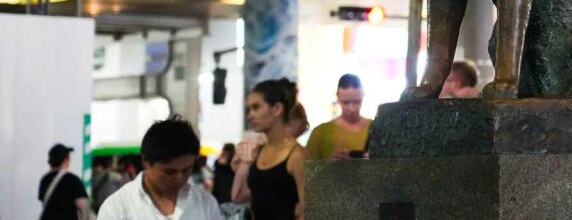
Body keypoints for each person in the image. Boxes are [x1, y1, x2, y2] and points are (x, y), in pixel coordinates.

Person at [97, 116, 221, 219]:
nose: (179, 178)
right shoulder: (117, 208)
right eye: (170, 172)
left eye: (186, 170)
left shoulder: (205, 203)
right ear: (146, 162)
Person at [232, 78, 306, 219]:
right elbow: (237, 196)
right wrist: (244, 164)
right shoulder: (258, 152)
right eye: (249, 109)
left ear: (277, 109)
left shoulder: (298, 155)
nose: (250, 115)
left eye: (256, 107)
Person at [306, 74, 373, 160]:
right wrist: (331, 163)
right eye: (346, 102)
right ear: (338, 96)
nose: (351, 108)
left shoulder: (376, 129)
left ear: (363, 95)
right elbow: (307, 170)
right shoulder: (320, 133)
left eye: (356, 102)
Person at [38, 143, 88, 220]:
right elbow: (82, 206)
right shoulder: (73, 180)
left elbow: (43, 202)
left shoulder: (44, 179)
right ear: (65, 160)